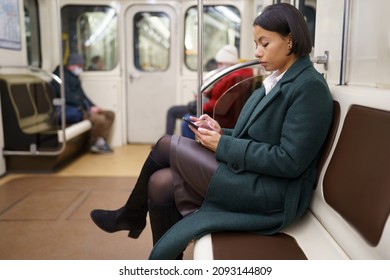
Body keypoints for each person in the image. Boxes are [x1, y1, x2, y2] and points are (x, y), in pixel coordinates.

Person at [90, 3, 333, 260]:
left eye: (265, 43)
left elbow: (290, 161)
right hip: (254, 176)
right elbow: (255, 137)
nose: (257, 52)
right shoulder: (275, 80)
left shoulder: (308, 88)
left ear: (290, 41)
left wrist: (221, 145)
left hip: (273, 195)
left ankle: (130, 215)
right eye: (256, 44)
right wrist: (221, 133)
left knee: (165, 145)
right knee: (160, 183)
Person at [165, 45, 252, 137]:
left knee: (183, 118)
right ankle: (169, 140)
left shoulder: (233, 78)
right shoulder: (229, 76)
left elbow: (220, 106)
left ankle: (176, 143)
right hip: (214, 110)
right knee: (176, 111)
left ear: (229, 63)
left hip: (218, 115)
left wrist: (202, 106)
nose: (219, 66)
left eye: (221, 64)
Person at [52, 54, 115, 154]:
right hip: (73, 110)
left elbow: (83, 96)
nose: (81, 69)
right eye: (80, 66)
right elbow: (68, 98)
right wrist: (88, 109)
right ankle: (93, 143)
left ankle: (100, 141)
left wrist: (93, 106)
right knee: (100, 120)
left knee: (110, 114)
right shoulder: (60, 77)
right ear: (72, 65)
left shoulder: (74, 77)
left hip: (82, 107)